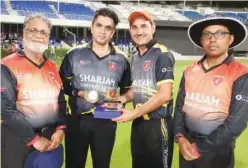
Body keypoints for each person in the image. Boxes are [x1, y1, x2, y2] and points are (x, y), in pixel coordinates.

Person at [59, 8, 131, 168]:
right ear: (91, 27)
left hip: (106, 120)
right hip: (77, 120)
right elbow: (62, 85)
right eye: (99, 25)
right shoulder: (74, 54)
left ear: (113, 32)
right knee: (74, 164)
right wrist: (79, 93)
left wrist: (119, 104)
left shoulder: (121, 59)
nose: (102, 31)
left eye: (108, 28)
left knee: (102, 164)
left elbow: (127, 90)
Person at [174, 14, 248, 168]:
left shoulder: (240, 73)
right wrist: (180, 137)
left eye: (220, 33)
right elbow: (179, 108)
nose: (212, 39)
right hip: (186, 144)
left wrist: (200, 148)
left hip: (217, 151)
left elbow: (236, 123)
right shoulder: (189, 70)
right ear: (201, 40)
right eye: (207, 34)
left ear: (231, 39)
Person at [1, 13, 67, 168]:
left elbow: (62, 102)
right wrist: (35, 139)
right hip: (18, 141)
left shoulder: (52, 67)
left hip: (50, 138)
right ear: (23, 34)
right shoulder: (6, 65)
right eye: (33, 30)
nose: (39, 35)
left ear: (49, 37)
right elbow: (6, 110)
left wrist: (61, 129)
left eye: (44, 32)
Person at [112, 10, 175, 168]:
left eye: (144, 26)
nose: (139, 31)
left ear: (153, 28)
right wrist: (123, 99)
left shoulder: (162, 54)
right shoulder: (135, 56)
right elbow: (138, 87)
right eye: (134, 27)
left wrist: (133, 113)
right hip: (139, 124)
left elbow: (165, 94)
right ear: (130, 31)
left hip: (158, 125)